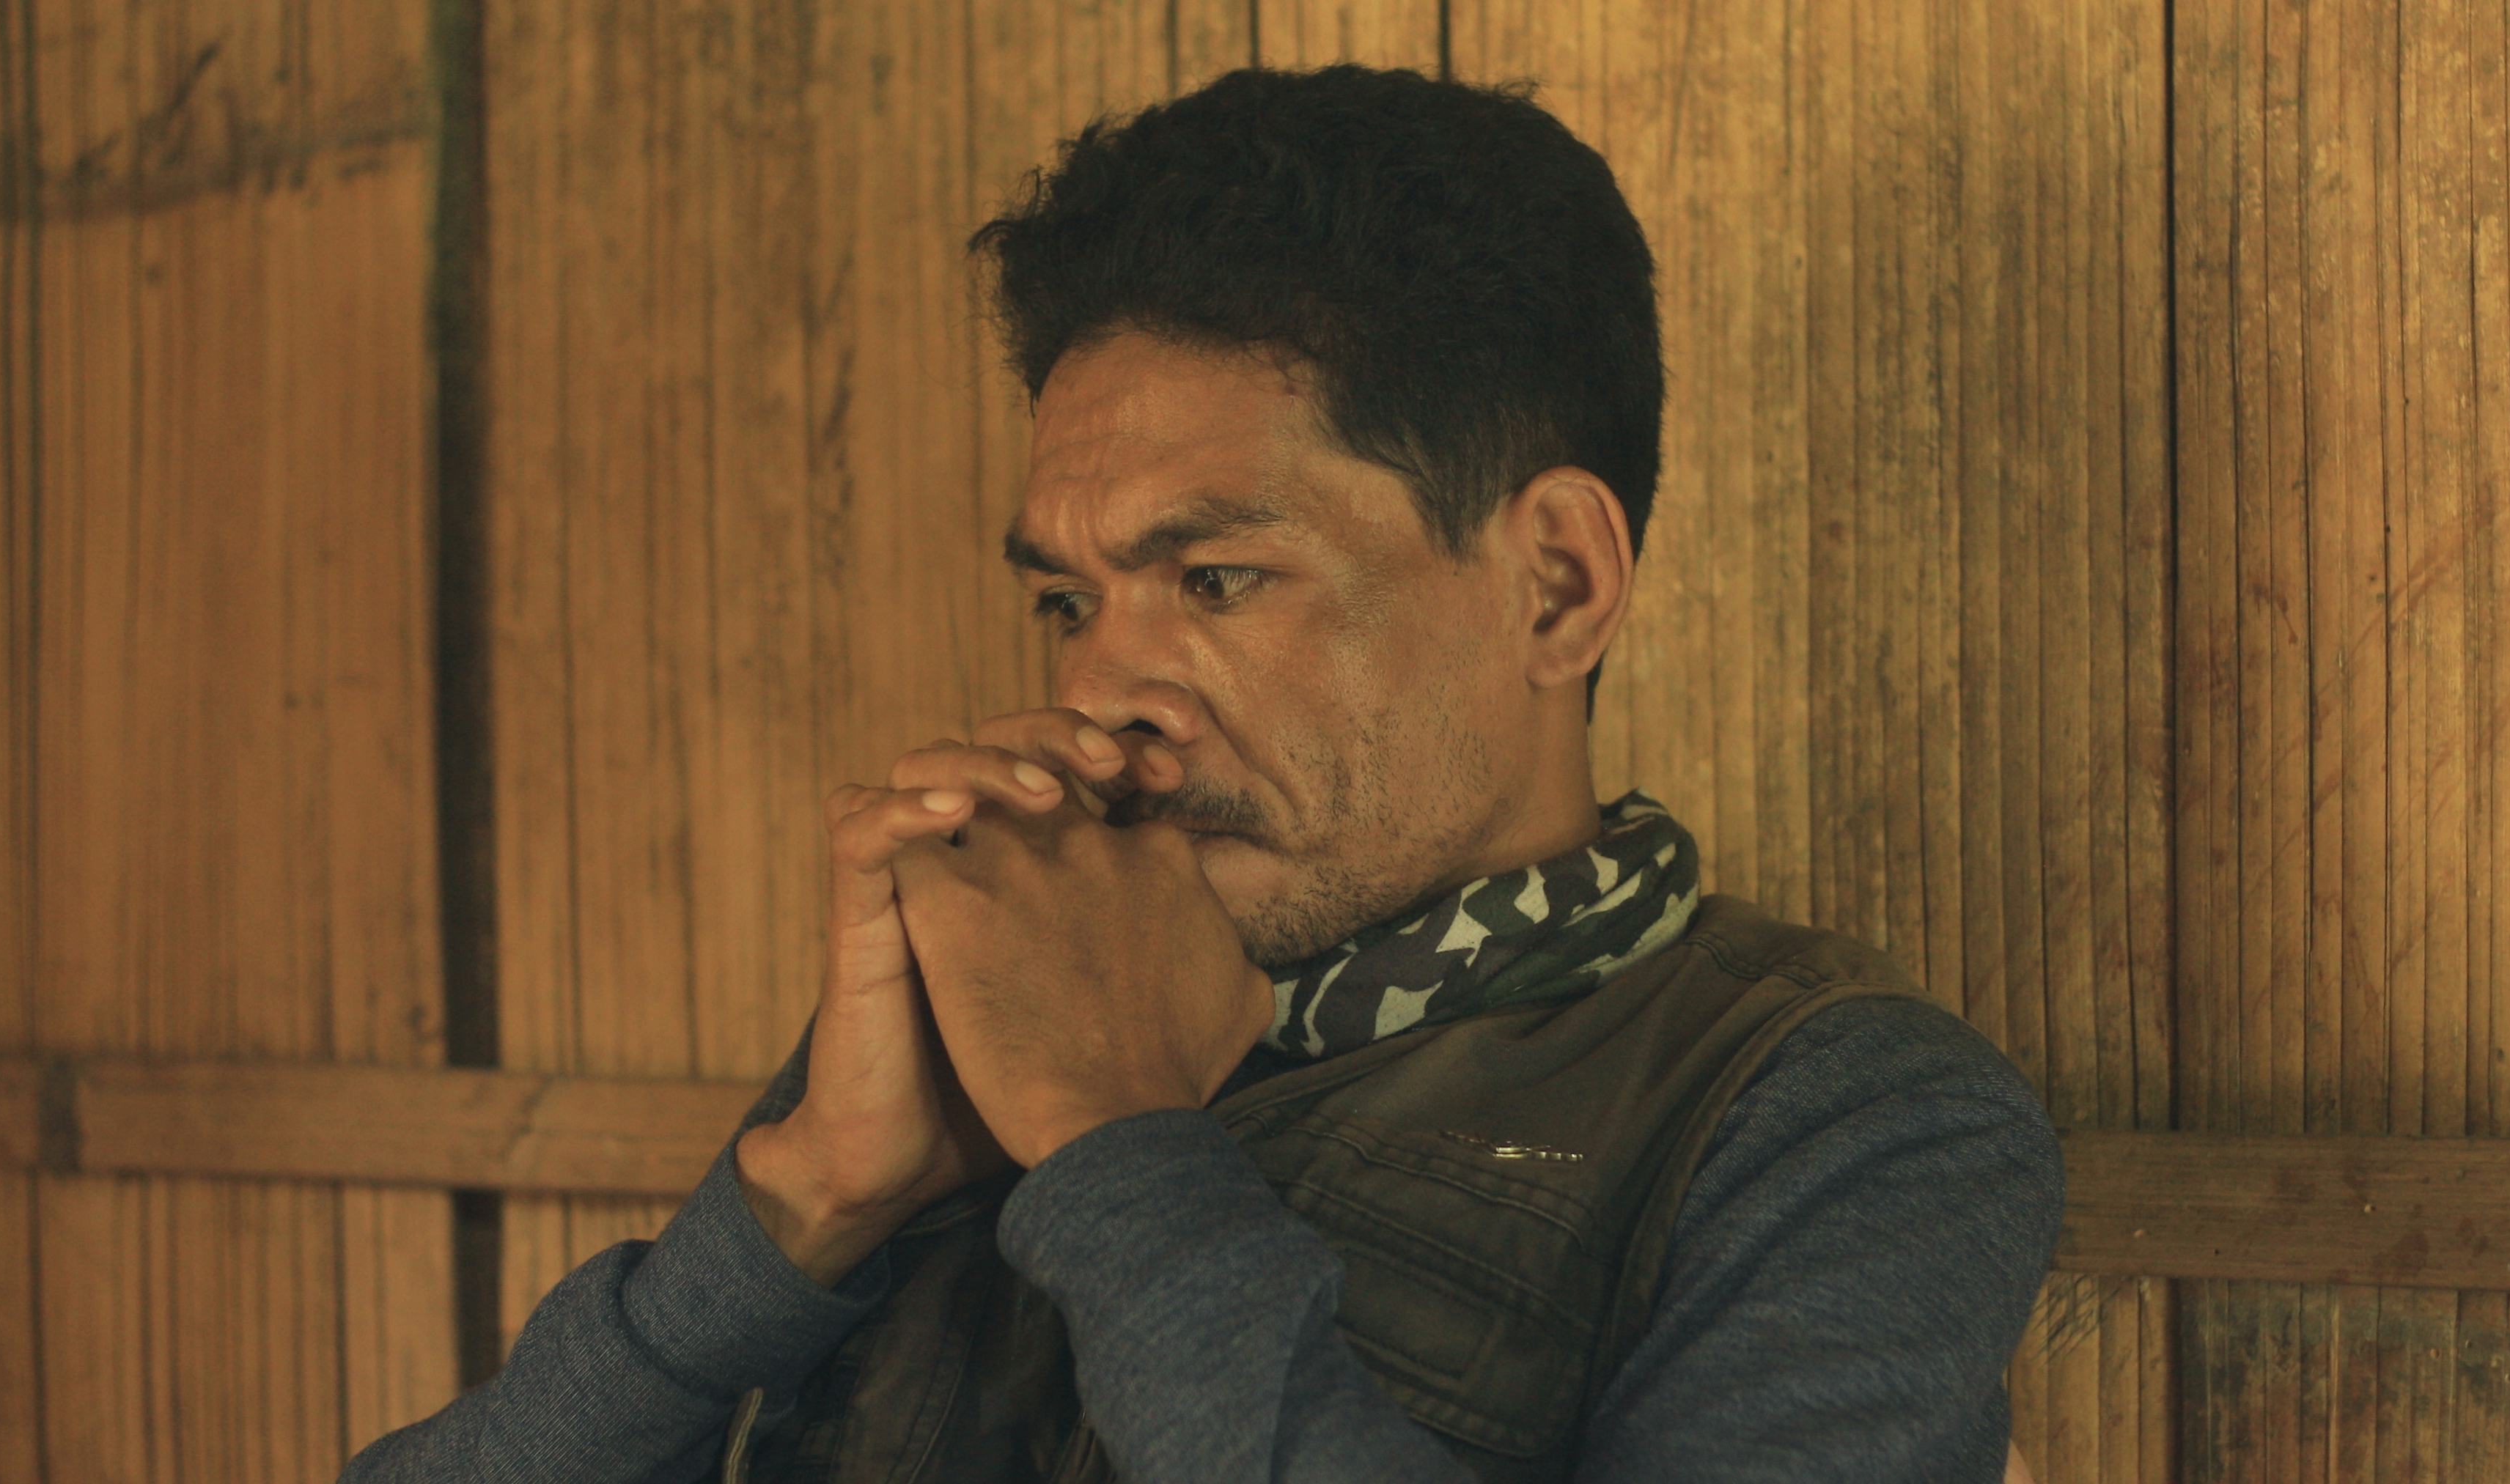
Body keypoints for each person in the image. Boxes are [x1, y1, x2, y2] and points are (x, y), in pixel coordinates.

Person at [345, 64, 2060, 1483]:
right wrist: (798, 1204)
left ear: (1554, 581)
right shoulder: (994, 987)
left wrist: (1116, 1147)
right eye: (1067, 598)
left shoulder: (1838, 1117)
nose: (1097, 689)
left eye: (1218, 577)